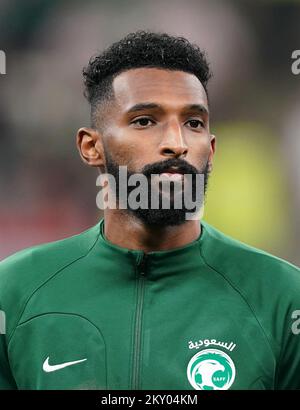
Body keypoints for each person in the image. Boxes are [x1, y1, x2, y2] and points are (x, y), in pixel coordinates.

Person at [1, 31, 300, 391]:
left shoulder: (283, 298)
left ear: (212, 148)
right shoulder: (15, 292)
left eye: (193, 123)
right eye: (144, 121)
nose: (176, 143)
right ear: (91, 147)